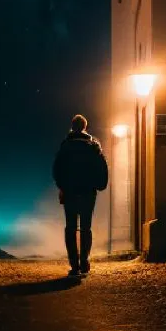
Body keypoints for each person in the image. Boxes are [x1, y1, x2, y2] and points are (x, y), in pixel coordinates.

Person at [52, 113, 108, 276]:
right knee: (85, 228)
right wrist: (99, 185)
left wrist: (62, 186)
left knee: (70, 228)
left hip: (69, 191)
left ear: (72, 126)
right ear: (85, 127)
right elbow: (102, 168)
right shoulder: (93, 146)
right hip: (88, 192)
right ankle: (84, 262)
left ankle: (74, 265)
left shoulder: (65, 146)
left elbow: (56, 170)